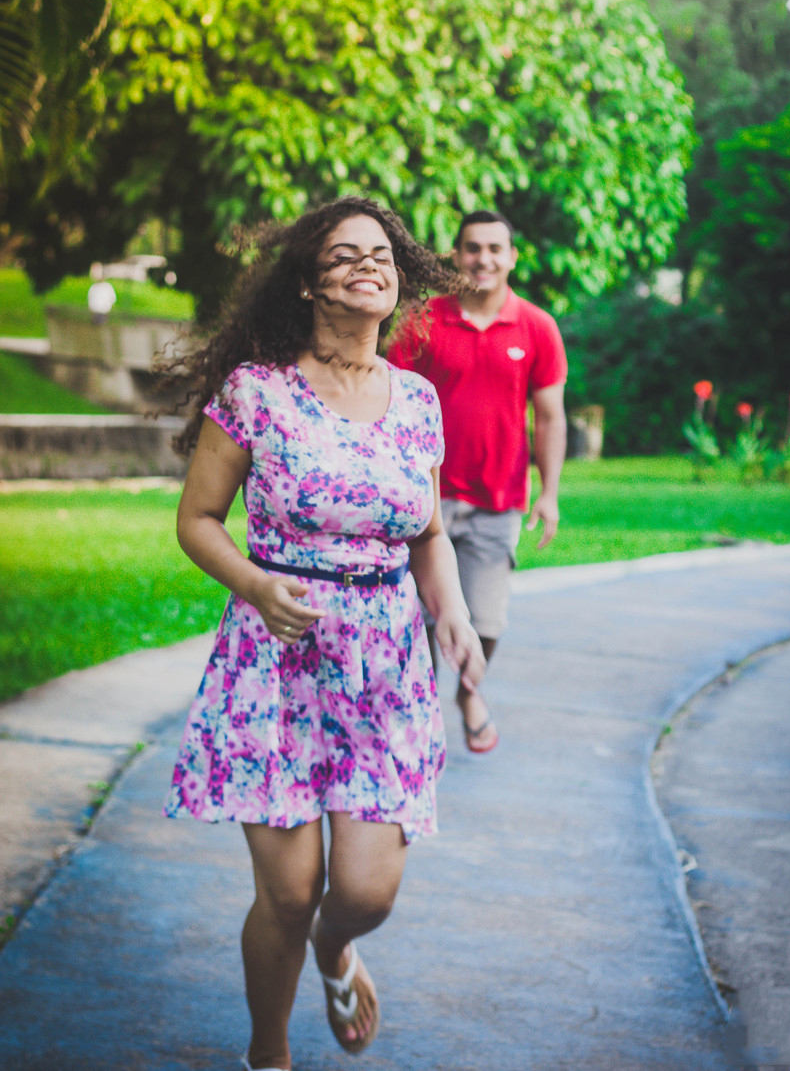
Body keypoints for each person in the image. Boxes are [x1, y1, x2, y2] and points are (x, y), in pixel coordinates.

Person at [163, 197, 484, 1071]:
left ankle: (337, 948)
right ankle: (269, 1054)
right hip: (274, 666)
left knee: (365, 893)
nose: (367, 265)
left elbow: (425, 533)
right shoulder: (258, 392)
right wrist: (258, 586)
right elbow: (197, 519)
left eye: (380, 253)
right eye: (344, 255)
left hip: (382, 669)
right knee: (292, 888)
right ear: (308, 282)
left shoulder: (416, 401)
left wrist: (447, 608)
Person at [388, 209, 567, 755]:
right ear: (456, 256)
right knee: (417, 616)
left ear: (512, 258)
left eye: (495, 249)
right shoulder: (422, 321)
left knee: (487, 618)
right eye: (472, 248)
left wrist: (550, 492)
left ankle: (469, 693)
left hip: (498, 499)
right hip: (426, 499)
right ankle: (414, 717)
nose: (483, 259)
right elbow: (389, 400)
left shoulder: (536, 326)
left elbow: (551, 415)